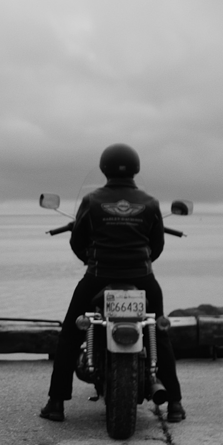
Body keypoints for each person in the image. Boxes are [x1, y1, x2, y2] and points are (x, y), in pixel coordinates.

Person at [40, 143, 185, 423]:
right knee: (159, 332)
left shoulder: (92, 200)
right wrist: (140, 263)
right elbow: (156, 246)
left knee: (71, 333)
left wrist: (91, 261)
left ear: (104, 168)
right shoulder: (151, 203)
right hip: (142, 278)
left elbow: (77, 240)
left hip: (98, 276)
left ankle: (56, 403)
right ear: (136, 169)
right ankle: (175, 405)